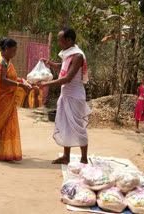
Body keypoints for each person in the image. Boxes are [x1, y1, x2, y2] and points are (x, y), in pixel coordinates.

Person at [41, 27, 92, 164]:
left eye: (60, 40)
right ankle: (66, 156)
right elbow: (63, 67)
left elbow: (68, 78)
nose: (58, 43)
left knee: (78, 127)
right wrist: (50, 63)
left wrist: (46, 84)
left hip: (74, 96)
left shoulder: (77, 56)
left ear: (69, 40)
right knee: (66, 126)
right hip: (66, 95)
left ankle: (84, 159)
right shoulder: (69, 54)